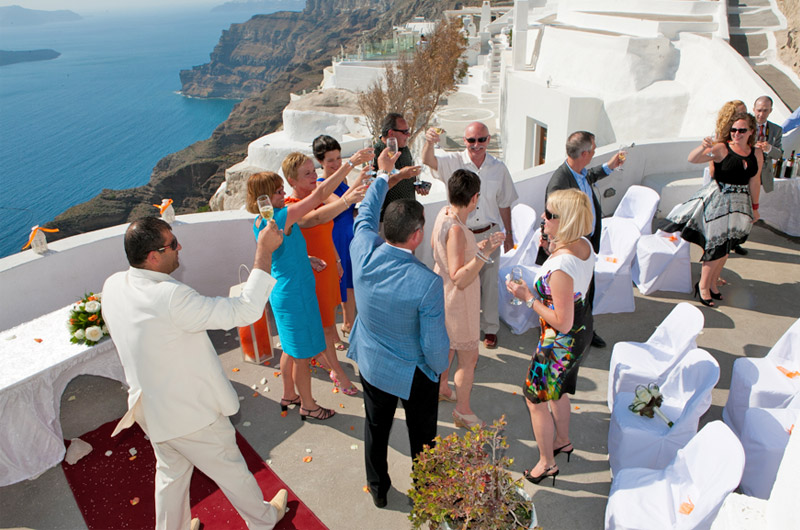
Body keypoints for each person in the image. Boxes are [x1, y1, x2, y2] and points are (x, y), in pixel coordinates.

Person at [101, 217, 288, 530]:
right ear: (153, 257)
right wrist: (263, 251)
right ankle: (264, 520)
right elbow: (245, 311)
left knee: (171, 474)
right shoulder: (173, 298)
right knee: (231, 470)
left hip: (150, 407)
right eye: (173, 244)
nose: (179, 248)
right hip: (190, 413)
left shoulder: (113, 285)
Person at [347, 148, 448, 509]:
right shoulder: (426, 283)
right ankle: (428, 492)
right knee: (423, 438)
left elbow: (364, 214)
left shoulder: (362, 250)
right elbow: (435, 347)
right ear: (417, 235)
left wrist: (381, 173)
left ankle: (378, 489)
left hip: (373, 364)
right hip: (415, 373)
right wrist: (440, 371)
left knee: (376, 428)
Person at [505, 189, 596, 487]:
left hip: (558, 343)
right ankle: (563, 440)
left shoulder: (560, 268)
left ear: (566, 220)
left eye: (550, 215)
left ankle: (546, 463)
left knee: (535, 399)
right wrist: (552, 246)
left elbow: (562, 322)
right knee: (559, 391)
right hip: (581, 333)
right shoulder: (583, 244)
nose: (543, 217)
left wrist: (528, 297)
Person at [422, 121, 518, 349]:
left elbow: (504, 203)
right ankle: (462, 329)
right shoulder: (453, 162)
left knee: (490, 284)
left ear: (488, 140)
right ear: (464, 141)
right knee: (461, 284)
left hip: (490, 232)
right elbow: (428, 160)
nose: (476, 145)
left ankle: (490, 329)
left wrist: (509, 234)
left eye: (481, 140)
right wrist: (428, 142)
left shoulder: (499, 168)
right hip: (461, 236)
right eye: (471, 140)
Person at [282, 151, 370, 395]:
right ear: (291, 180)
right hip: (312, 273)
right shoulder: (292, 208)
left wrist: (337, 258)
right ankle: (338, 373)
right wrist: (347, 194)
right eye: (307, 173)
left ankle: (321, 359)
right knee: (327, 326)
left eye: (313, 171)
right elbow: (314, 219)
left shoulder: (314, 196)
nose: (314, 176)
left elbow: (325, 230)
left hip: (327, 266)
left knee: (328, 320)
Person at [663, 112, 762, 306]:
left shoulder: (756, 153)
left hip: (740, 204)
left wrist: (755, 207)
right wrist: (703, 147)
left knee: (727, 247)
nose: (736, 134)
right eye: (733, 130)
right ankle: (703, 286)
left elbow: (755, 181)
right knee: (715, 246)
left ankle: (713, 284)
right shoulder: (722, 148)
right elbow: (693, 158)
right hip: (719, 201)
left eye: (742, 130)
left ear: (751, 131)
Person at [431, 169, 504, 429]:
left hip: (443, 291)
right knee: (468, 357)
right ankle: (463, 410)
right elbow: (460, 277)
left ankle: (441, 387)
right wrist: (485, 254)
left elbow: (445, 256)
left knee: (449, 346)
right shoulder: (458, 230)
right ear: (474, 199)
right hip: (459, 299)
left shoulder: (443, 213)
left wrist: (479, 248)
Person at [539, 131, 624, 349]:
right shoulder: (559, 184)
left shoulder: (580, 172)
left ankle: (586, 327)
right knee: (573, 295)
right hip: (573, 247)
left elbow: (590, 175)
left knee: (587, 290)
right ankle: (574, 332)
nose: (594, 153)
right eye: (593, 150)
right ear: (584, 153)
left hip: (587, 242)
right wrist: (550, 245)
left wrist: (609, 166)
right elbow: (551, 217)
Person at [312, 135, 371, 347]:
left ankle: (349, 323)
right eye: (330, 160)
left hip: (348, 233)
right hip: (335, 236)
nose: (336, 163)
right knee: (340, 284)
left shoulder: (342, 179)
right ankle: (341, 327)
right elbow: (341, 203)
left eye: (338, 158)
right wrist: (352, 168)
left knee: (351, 282)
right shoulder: (320, 185)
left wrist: (361, 177)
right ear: (320, 162)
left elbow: (349, 197)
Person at [372, 113, 428, 221]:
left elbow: (408, 177)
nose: (408, 135)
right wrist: (400, 176)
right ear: (391, 133)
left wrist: (417, 185)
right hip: (389, 221)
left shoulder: (404, 149)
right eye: (405, 132)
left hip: (410, 217)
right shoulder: (376, 153)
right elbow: (374, 190)